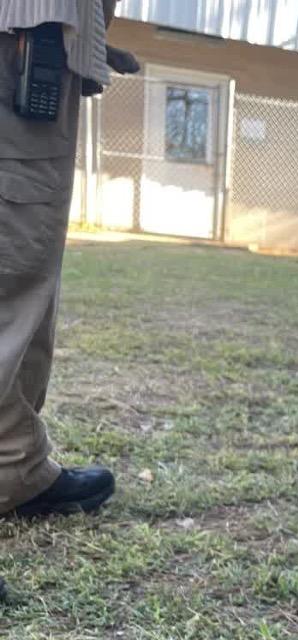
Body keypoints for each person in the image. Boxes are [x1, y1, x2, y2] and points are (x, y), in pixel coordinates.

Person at [0, 1, 135, 518]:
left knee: (24, 277)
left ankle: (13, 467)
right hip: (26, 40)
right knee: (12, 273)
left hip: (41, 41)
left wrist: (92, 34)